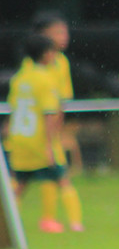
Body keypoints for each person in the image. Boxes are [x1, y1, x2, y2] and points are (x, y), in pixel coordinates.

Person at [4, 35, 85, 233]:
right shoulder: (46, 79)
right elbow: (50, 113)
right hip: (40, 140)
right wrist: (50, 144)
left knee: (20, 183)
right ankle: (74, 223)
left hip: (20, 140)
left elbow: (13, 110)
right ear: (47, 54)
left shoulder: (20, 78)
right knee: (62, 179)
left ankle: (6, 223)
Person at [31, 11, 81, 174]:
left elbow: (61, 101)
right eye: (58, 32)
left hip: (49, 132)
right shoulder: (31, 67)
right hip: (33, 132)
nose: (64, 37)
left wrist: (54, 133)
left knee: (54, 177)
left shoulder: (61, 61)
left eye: (65, 32)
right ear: (42, 35)